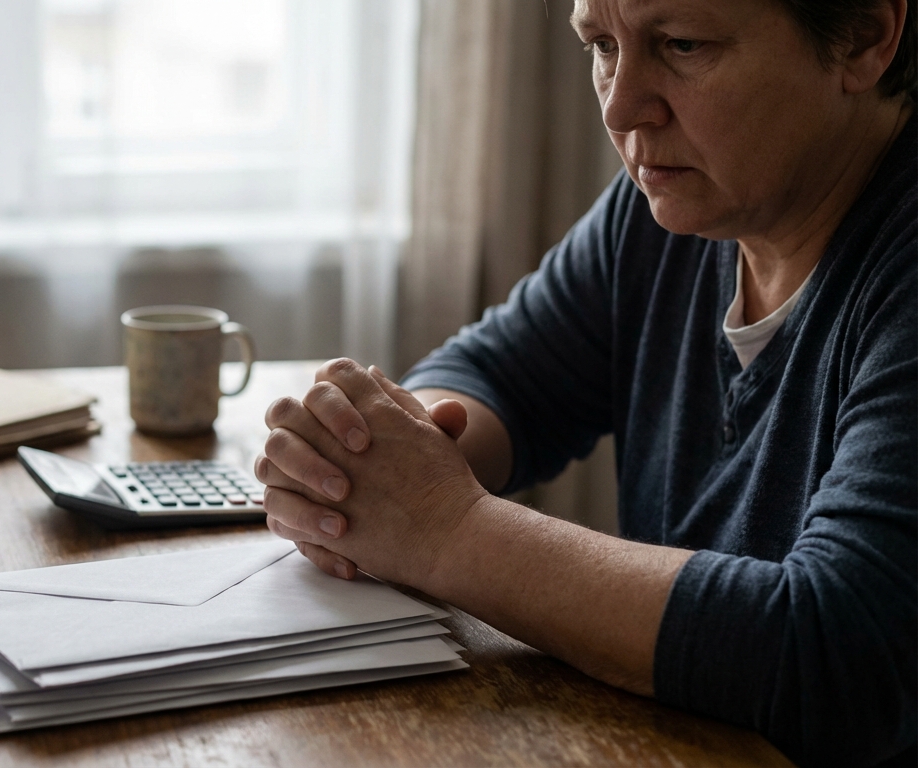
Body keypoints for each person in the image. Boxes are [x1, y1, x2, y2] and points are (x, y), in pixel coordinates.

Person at [254, 0, 916, 765]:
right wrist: (378, 456)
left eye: (682, 44)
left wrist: (446, 528)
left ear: (865, 35)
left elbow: (840, 653)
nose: (621, 103)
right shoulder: (675, 208)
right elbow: (496, 373)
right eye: (602, 45)